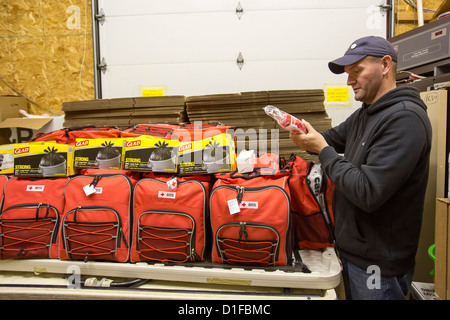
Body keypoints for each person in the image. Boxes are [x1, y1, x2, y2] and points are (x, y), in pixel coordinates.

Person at [289, 36, 432, 300]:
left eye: (357, 71)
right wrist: (305, 135)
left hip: (379, 266)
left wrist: (322, 149)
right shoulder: (367, 112)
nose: (349, 80)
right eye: (347, 73)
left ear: (386, 65)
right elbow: (330, 139)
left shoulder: (404, 119)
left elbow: (367, 191)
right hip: (354, 254)